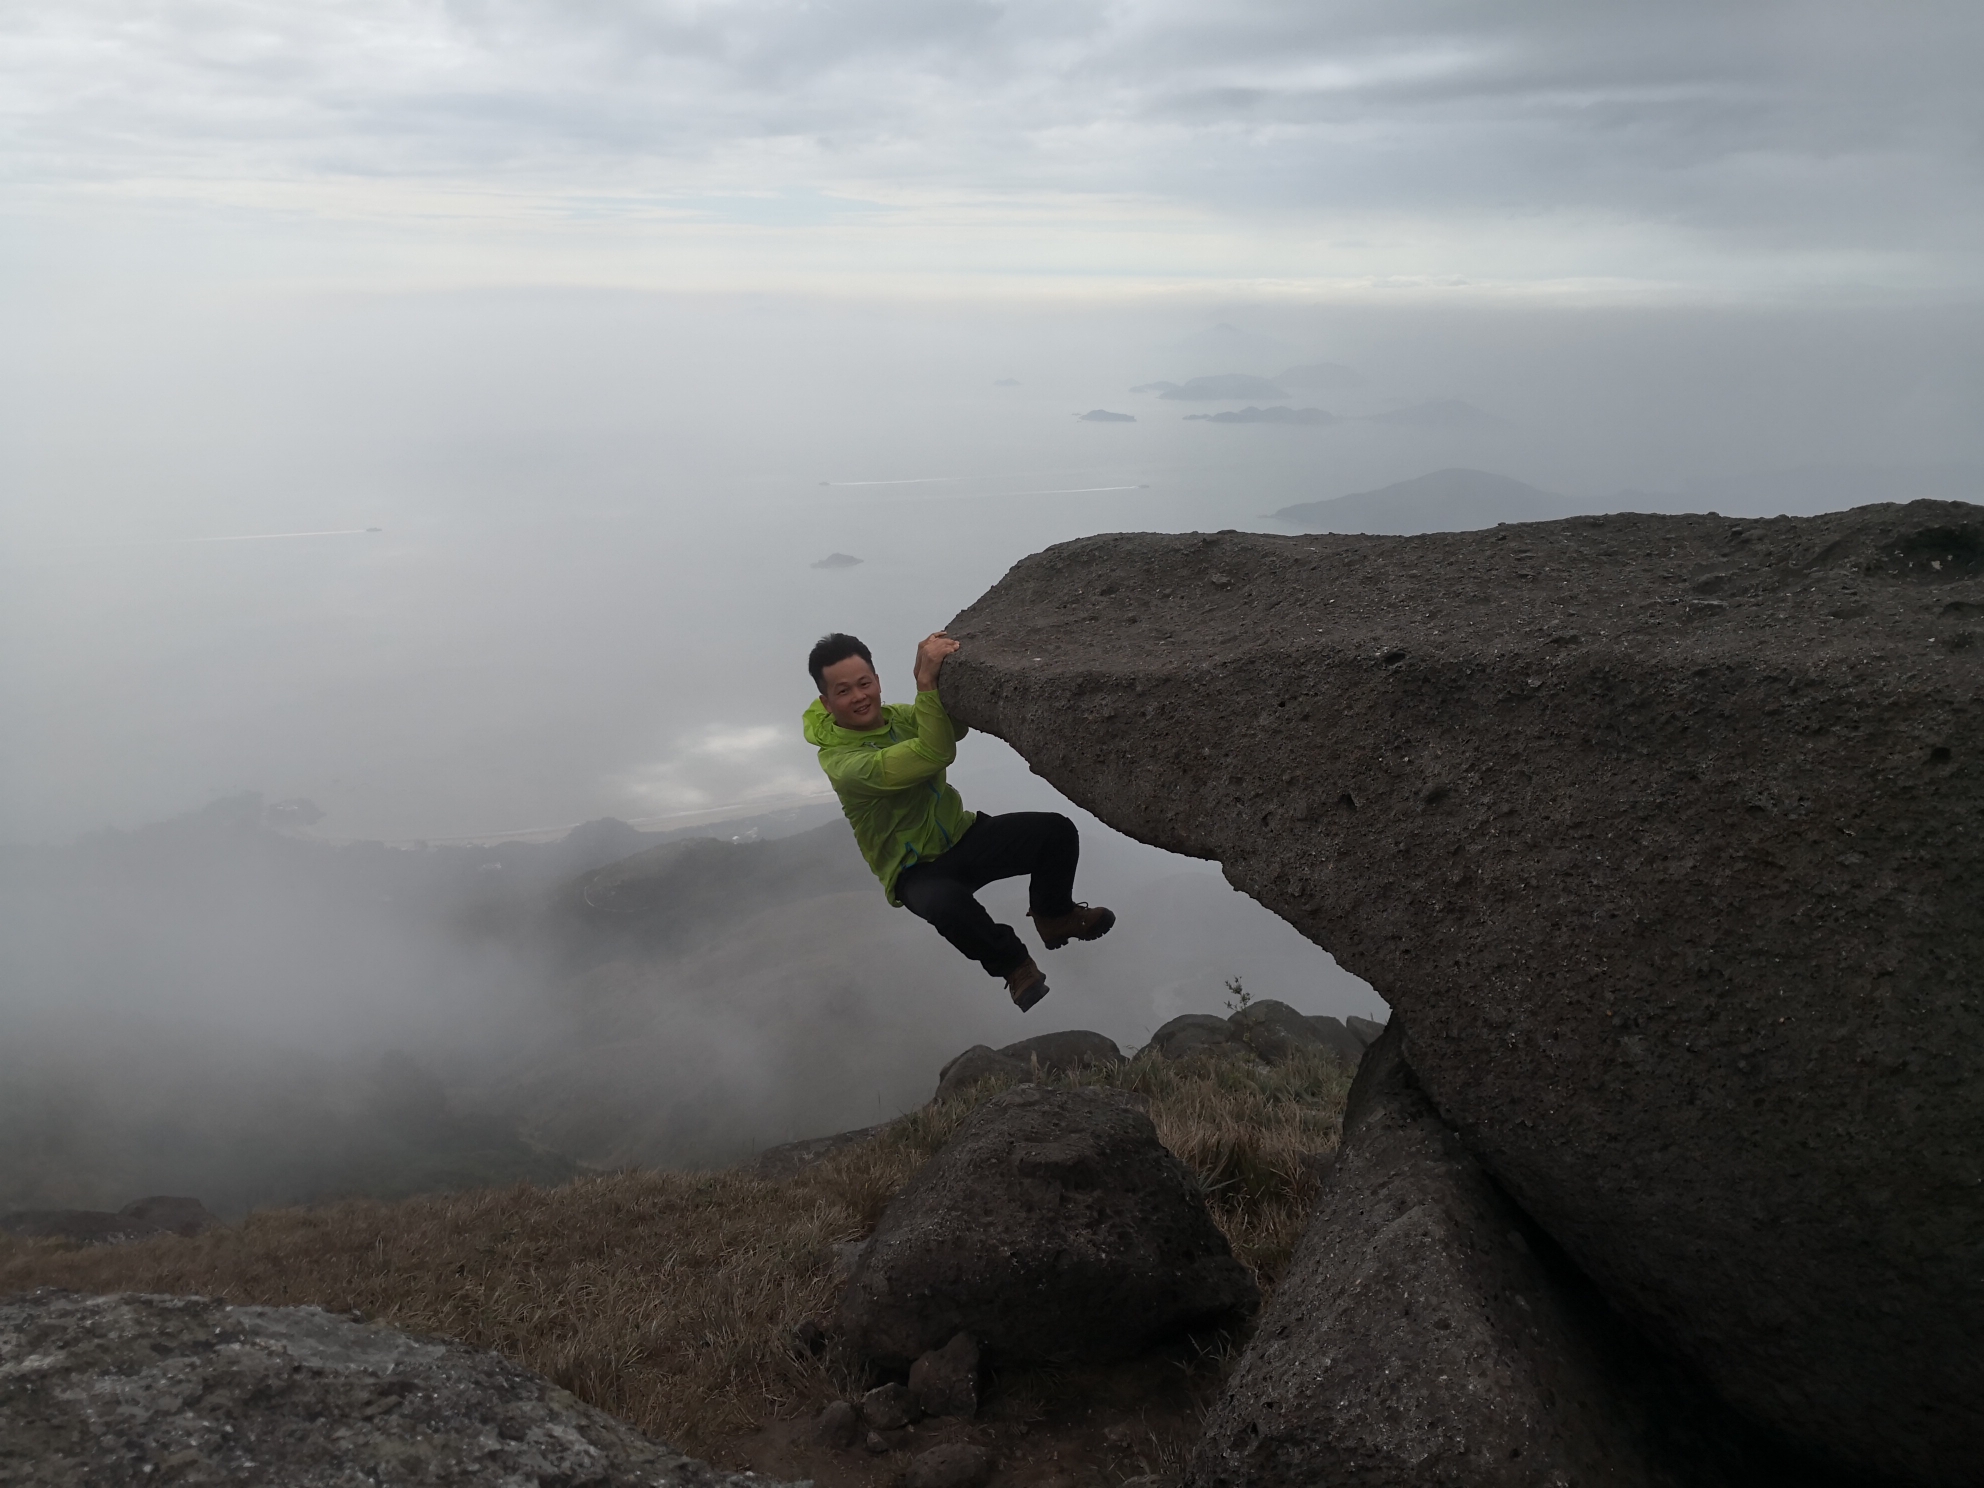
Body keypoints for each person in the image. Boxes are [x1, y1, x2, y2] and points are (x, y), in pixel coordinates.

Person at [802, 630, 1114, 1011]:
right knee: (945, 903)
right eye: (844, 691)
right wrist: (924, 681)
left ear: (878, 681)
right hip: (916, 870)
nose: (859, 697)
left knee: (1055, 832)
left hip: (963, 836)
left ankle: (1055, 915)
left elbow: (953, 728)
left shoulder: (897, 717)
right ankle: (1015, 967)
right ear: (827, 702)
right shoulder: (844, 764)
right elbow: (935, 753)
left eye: (864, 683)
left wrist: (934, 676)